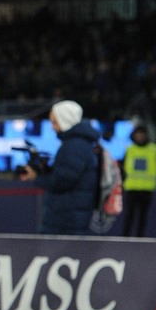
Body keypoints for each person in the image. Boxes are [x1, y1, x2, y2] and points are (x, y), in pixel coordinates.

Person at [20, 100, 100, 235]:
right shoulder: (76, 143)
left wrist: (37, 177)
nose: (52, 127)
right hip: (68, 216)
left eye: (55, 122)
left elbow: (62, 181)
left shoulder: (74, 146)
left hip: (65, 220)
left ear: (65, 120)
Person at [122, 125, 156, 237]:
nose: (139, 137)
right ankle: (125, 238)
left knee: (143, 217)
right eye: (137, 134)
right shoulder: (129, 149)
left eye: (141, 134)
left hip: (147, 189)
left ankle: (140, 238)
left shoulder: (154, 149)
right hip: (131, 188)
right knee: (129, 215)